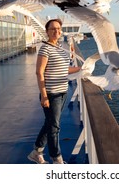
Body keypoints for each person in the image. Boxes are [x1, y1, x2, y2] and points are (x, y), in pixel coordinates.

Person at [27, 18, 80, 164]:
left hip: (62, 92)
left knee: (50, 124)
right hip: (51, 93)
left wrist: (82, 68)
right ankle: (57, 159)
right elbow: (39, 72)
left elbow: (65, 69)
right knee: (54, 127)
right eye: (53, 29)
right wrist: (44, 96)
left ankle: (36, 152)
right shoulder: (45, 48)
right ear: (47, 32)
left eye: (58, 28)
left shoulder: (61, 48)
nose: (56, 31)